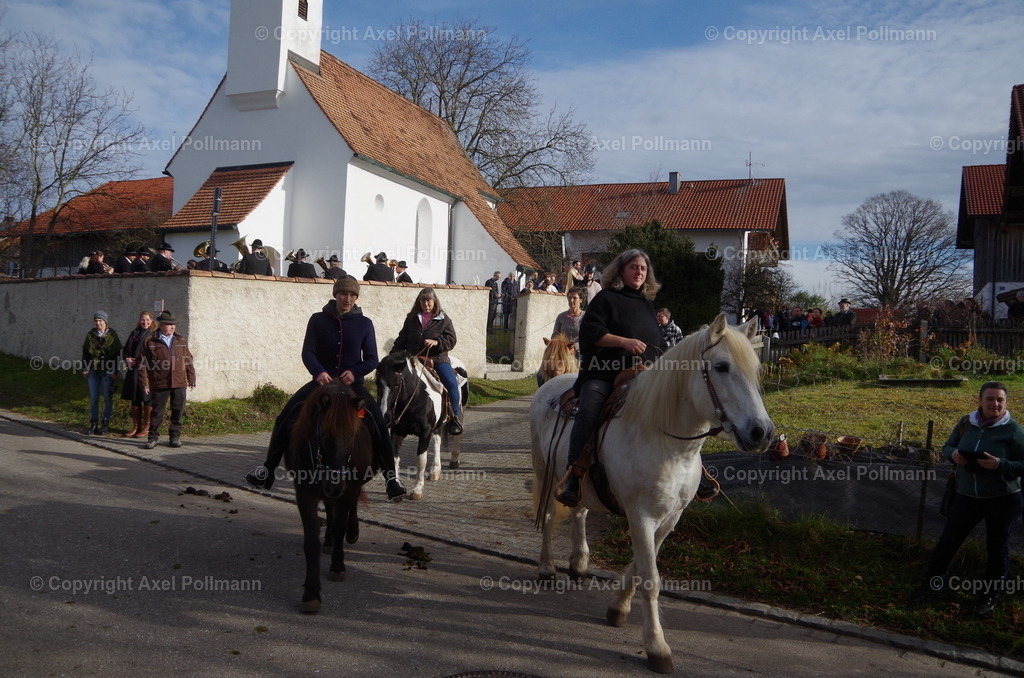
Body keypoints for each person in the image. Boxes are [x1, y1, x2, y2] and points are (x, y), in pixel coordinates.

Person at [245, 277, 406, 500]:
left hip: (353, 386)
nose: (347, 299)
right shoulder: (318, 320)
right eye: (343, 294)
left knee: (378, 421)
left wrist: (355, 372)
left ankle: (391, 478)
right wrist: (319, 372)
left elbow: (371, 359)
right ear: (335, 295)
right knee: (284, 417)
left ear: (356, 298)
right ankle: (267, 470)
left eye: (352, 295)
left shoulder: (365, 323)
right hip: (321, 383)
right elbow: (308, 352)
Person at [557, 249, 664, 506]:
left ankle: (694, 470)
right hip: (603, 371)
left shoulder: (647, 305)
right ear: (620, 271)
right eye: (633, 267)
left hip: (642, 374)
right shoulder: (606, 298)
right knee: (591, 407)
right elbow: (591, 334)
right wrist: (624, 342)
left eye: (643, 269)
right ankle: (575, 474)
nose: (639, 272)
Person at [908, 382, 1024, 617]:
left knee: (997, 548)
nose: (995, 404)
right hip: (966, 495)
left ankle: (989, 597)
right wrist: (954, 455)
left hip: (1002, 498)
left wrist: (1000, 465)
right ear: (980, 401)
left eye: (1000, 400)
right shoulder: (965, 423)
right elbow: (947, 447)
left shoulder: (1014, 431)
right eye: (990, 399)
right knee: (948, 542)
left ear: (1006, 403)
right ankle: (932, 586)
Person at [392, 287, 463, 436]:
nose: (426, 303)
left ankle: (454, 418)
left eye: (429, 300)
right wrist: (393, 356)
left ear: (434, 301)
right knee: (393, 382)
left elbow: (451, 340)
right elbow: (402, 339)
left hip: (437, 360)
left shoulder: (444, 319)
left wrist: (437, 342)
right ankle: (391, 414)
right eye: (423, 300)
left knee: (451, 383)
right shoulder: (411, 318)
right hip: (413, 359)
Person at [139, 311, 196, 449]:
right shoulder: (150, 341)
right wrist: (144, 383)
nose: (172, 328)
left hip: (179, 382)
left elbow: (188, 360)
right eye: (169, 325)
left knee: (178, 410)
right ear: (161, 325)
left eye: (173, 325)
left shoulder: (180, 340)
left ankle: (174, 437)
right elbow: (142, 364)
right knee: (157, 411)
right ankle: (152, 438)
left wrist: (191, 377)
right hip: (160, 382)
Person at [81, 310, 122, 435]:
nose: (98, 323)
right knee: (94, 397)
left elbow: (116, 354)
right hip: (94, 370)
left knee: (107, 397)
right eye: (96, 321)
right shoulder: (90, 335)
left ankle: (105, 423)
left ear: (105, 322)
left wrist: (115, 370)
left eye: (100, 321)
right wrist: (84, 368)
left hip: (107, 370)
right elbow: (86, 353)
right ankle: (93, 423)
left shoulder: (112, 335)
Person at [120, 310, 156, 437]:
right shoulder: (134, 333)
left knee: (146, 397)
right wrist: (126, 358)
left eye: (147, 320)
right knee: (135, 397)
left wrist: (138, 360)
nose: (144, 322)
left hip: (146, 370)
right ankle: (136, 426)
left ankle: (147, 426)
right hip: (133, 369)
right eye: (142, 319)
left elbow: (152, 353)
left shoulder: (153, 334)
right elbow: (126, 349)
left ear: (151, 321)